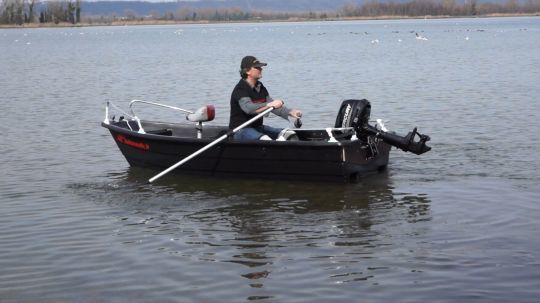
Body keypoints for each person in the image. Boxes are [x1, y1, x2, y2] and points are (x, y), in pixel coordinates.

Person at [229, 55, 302, 141]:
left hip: (258, 127)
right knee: (266, 139)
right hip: (240, 130)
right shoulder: (240, 89)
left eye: (260, 67)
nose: (261, 69)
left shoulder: (260, 87)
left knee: (290, 134)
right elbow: (249, 108)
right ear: (247, 71)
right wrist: (269, 104)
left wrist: (290, 112)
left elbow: (273, 107)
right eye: (257, 67)